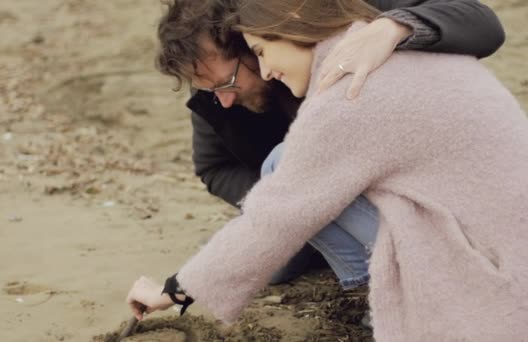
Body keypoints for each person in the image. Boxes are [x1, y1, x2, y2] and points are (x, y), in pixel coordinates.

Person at [127, 0, 528, 340]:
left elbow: (274, 218)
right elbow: (227, 178)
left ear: (288, 28)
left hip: (511, 295)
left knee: (284, 176)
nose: (266, 69)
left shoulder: (351, 87)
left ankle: (380, 287)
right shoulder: (367, 53)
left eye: (261, 51)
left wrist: (176, 291)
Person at [156, 0, 506, 289]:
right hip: (310, 200)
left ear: (253, 39)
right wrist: (289, 201)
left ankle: (417, 277)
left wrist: (395, 28)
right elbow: (214, 169)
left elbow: (483, 24)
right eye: (210, 89)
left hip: (414, 188)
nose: (224, 100)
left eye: (228, 82)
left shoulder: (323, 20)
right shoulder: (217, 95)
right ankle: (366, 282)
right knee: (269, 266)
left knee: (284, 167)